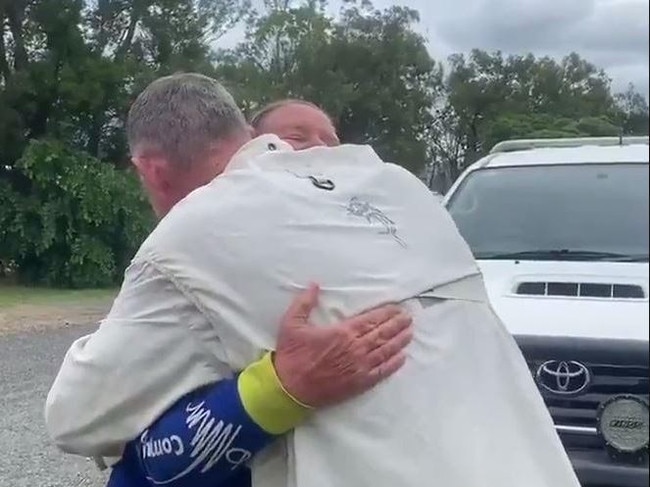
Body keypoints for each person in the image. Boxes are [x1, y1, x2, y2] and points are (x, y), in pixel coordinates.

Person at [46, 73, 581, 487]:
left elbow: (76, 417)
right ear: (248, 135)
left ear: (151, 170)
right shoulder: (404, 188)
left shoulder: (197, 227)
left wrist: (271, 387)